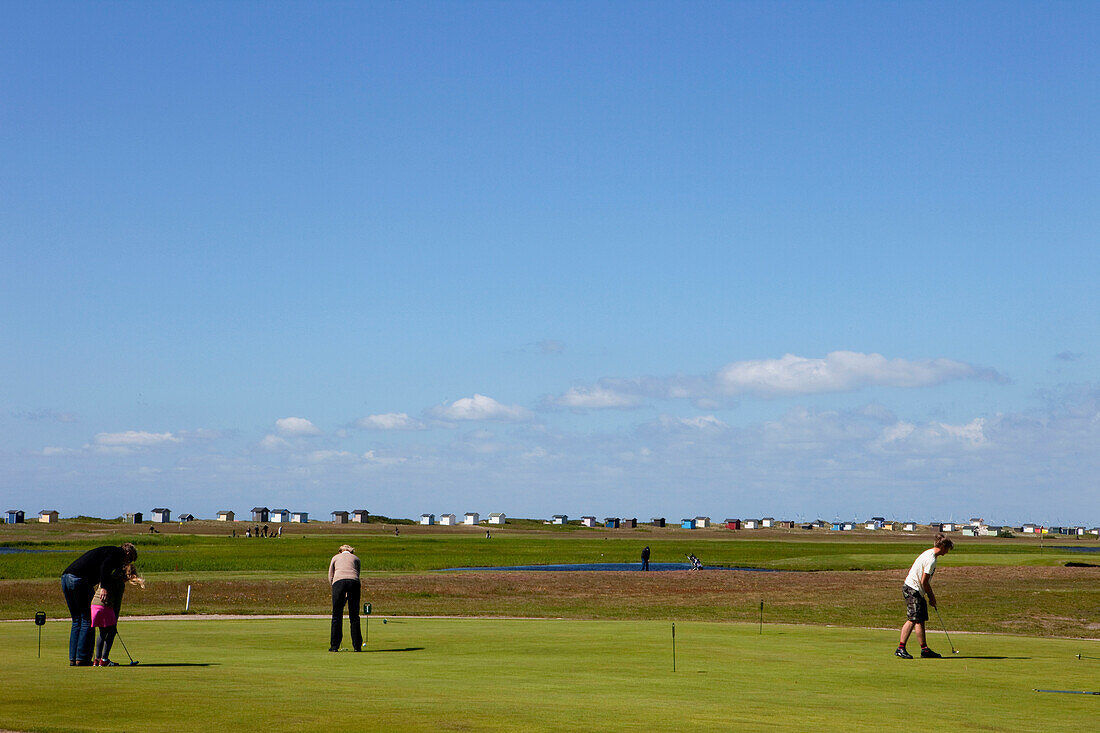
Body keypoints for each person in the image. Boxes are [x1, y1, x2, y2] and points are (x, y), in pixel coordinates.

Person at [60, 543, 137, 666]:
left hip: (66, 578)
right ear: (128, 553)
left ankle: (73, 658)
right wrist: (104, 588)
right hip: (79, 580)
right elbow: (104, 568)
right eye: (130, 559)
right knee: (87, 619)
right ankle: (83, 658)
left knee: (76, 620)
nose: (127, 563)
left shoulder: (108, 551)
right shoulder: (117, 553)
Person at [896, 533, 954, 659]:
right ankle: (900, 648)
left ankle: (924, 649)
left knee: (920, 619)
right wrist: (932, 597)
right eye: (947, 549)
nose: (947, 552)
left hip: (917, 589)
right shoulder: (931, 559)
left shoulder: (930, 553)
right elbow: (924, 582)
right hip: (913, 589)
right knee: (913, 618)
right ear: (943, 546)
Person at [92, 562, 144, 666]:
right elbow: (117, 604)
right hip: (105, 606)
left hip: (94, 605)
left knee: (102, 632)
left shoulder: (108, 576)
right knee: (111, 632)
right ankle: (104, 659)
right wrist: (115, 621)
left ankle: (97, 660)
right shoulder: (119, 583)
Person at [328, 544, 362, 652]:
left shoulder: (335, 557)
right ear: (351, 552)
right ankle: (357, 646)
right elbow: (357, 573)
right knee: (354, 615)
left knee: (337, 615)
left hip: (338, 582)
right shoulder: (356, 559)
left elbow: (330, 576)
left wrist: (336, 590)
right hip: (354, 583)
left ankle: (334, 646)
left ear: (340, 552)